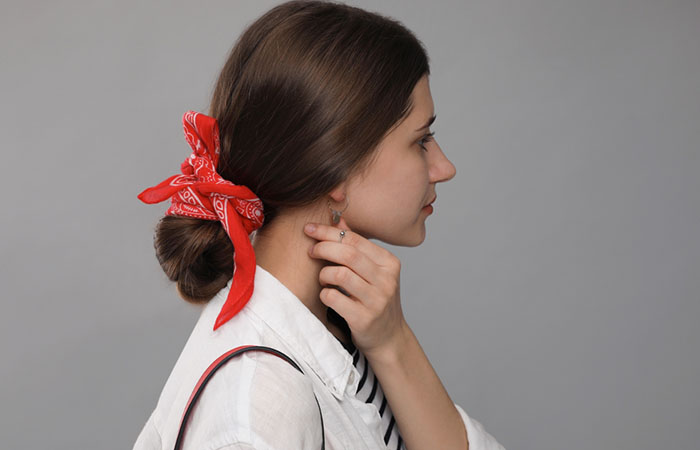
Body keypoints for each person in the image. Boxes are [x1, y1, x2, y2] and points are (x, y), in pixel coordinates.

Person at [133, 1, 506, 449]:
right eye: (421, 140)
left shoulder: (341, 322)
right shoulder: (256, 405)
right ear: (337, 170)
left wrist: (393, 342)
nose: (444, 166)